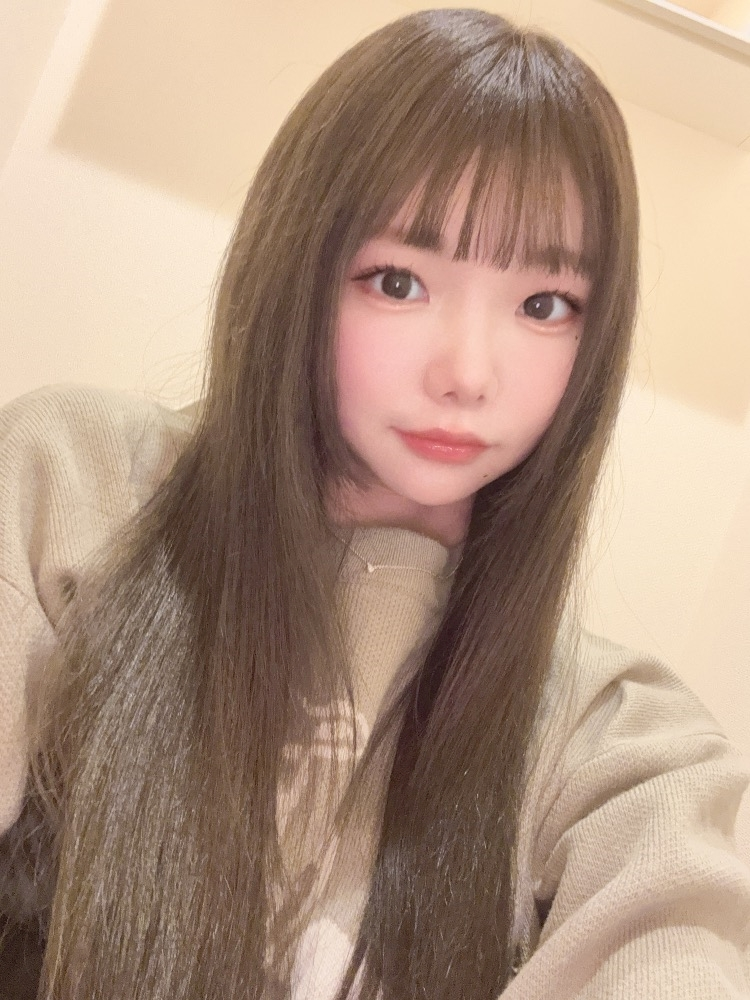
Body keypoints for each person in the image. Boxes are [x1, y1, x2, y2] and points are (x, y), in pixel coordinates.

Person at [0, 7, 748, 999]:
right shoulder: (75, 481)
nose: (468, 373)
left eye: (544, 305)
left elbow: (673, 940)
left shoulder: (615, 733)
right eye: (398, 281)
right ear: (298, 267)